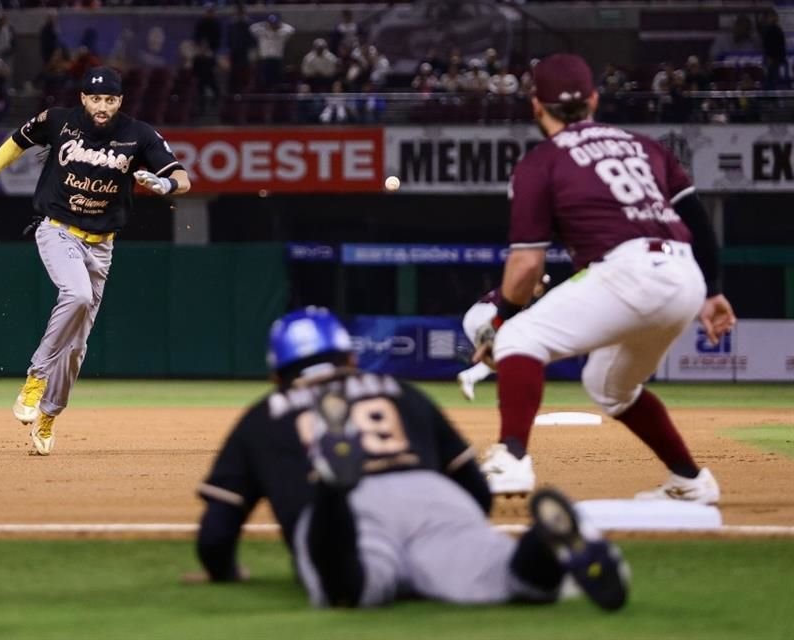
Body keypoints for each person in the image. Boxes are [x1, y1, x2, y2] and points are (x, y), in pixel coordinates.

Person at [194, 307, 629, 611]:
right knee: (510, 579)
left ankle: (332, 483)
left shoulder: (262, 416)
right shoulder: (398, 390)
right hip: (431, 497)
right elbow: (476, 490)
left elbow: (216, 535)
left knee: (350, 586)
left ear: (276, 375)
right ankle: (545, 545)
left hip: (352, 512)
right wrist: (458, 525)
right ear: (350, 358)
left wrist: (224, 571)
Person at [471, 53, 736, 503]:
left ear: (536, 106)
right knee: (609, 386)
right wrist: (710, 293)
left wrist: (499, 323)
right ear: (593, 100)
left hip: (628, 270)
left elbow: (526, 266)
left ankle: (511, 458)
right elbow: (699, 223)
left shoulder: (542, 162)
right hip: (683, 275)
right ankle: (691, 479)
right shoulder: (646, 146)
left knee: (519, 339)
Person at [0, 67, 191, 455]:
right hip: (57, 229)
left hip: (102, 246)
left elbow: (182, 175)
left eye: (110, 99)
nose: (102, 106)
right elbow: (15, 143)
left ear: (120, 102)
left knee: (77, 349)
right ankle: (36, 375)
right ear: (83, 98)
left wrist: (167, 184)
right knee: (75, 295)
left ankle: (48, 415)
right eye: (96, 98)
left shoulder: (137, 133)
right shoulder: (59, 120)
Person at [457, 275, 549, 401]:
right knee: (510, 353)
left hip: (472, 317)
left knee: (498, 360)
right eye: (539, 284)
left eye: (543, 286)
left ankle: (470, 377)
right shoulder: (523, 292)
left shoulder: (517, 287)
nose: (540, 289)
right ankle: (508, 395)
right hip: (488, 314)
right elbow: (507, 316)